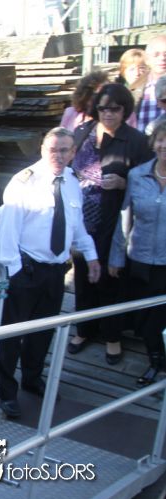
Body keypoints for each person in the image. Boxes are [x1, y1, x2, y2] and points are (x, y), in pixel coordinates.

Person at [0, 127, 100, 420]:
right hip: (26, 270)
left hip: (55, 271)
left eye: (64, 150)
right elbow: (7, 232)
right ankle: (7, 392)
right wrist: (14, 272)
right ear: (42, 150)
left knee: (43, 331)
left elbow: (76, 226)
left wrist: (91, 255)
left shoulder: (72, 182)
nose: (58, 155)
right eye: (52, 149)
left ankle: (32, 378)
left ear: (73, 153)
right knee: (12, 334)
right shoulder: (23, 182)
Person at [67, 84, 154, 364]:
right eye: (103, 108)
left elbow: (150, 181)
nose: (108, 113)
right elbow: (66, 165)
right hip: (81, 220)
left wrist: (124, 182)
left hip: (113, 221)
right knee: (82, 276)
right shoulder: (83, 132)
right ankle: (84, 329)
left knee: (110, 278)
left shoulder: (136, 141)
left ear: (125, 110)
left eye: (115, 108)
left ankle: (112, 335)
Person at [109, 118, 166, 385]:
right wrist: (116, 256)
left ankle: (158, 364)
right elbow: (125, 218)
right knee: (144, 317)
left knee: (159, 317)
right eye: (161, 139)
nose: (165, 145)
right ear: (154, 143)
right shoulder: (137, 175)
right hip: (140, 258)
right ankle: (156, 361)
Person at [136, 35, 166, 132]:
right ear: (147, 60)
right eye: (156, 55)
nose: (162, 58)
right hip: (141, 140)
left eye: (165, 54)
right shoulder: (135, 88)